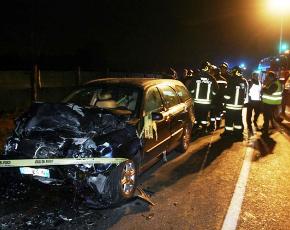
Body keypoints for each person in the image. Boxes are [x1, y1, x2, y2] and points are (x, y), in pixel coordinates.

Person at [188, 61, 218, 134]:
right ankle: (204, 129)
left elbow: (190, 88)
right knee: (204, 116)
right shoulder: (211, 78)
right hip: (207, 102)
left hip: (197, 101)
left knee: (197, 116)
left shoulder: (196, 77)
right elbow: (216, 89)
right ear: (208, 68)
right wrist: (211, 96)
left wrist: (193, 95)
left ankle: (196, 128)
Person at [221, 66, 248, 140]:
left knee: (229, 120)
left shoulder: (231, 80)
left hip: (231, 105)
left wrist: (224, 100)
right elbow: (245, 94)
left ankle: (228, 133)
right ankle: (238, 134)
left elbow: (227, 94)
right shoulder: (244, 81)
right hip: (239, 106)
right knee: (238, 120)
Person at [261, 71, 283, 137]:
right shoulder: (274, 83)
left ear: (271, 77)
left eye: (268, 77)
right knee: (269, 116)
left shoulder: (275, 84)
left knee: (266, 117)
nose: (267, 78)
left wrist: (263, 88)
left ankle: (265, 132)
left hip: (270, 103)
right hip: (271, 103)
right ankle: (267, 128)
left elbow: (269, 92)